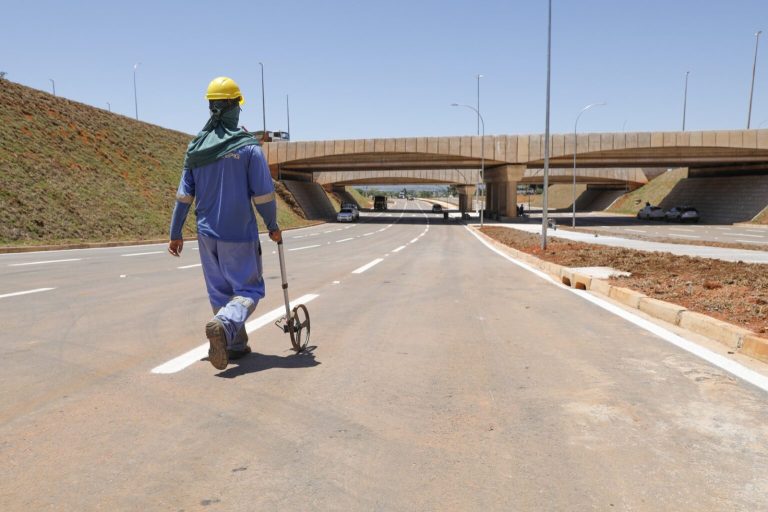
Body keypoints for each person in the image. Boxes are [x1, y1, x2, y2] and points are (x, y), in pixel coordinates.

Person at [168, 76, 281, 370]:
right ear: (234, 107)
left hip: (206, 235)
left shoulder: (196, 149)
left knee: (219, 292)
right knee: (249, 291)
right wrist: (272, 225)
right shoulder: (248, 147)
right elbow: (264, 195)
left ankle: (235, 345)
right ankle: (224, 324)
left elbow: (183, 196)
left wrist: (175, 232)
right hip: (238, 234)